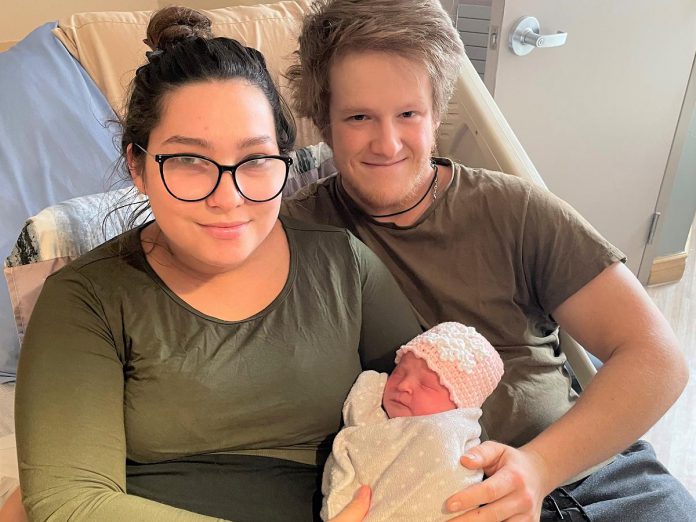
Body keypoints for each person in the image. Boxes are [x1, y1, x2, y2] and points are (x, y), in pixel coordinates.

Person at [282, 0, 696, 520]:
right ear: (324, 123)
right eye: (359, 116)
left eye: (408, 113)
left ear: (435, 115)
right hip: (418, 495)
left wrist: (540, 468)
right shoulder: (295, 234)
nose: (387, 142)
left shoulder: (514, 210)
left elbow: (656, 357)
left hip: (588, 480)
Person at [12, 6, 423, 522]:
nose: (228, 198)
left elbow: (434, 411)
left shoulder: (342, 264)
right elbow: (72, 501)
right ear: (138, 166)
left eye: (253, 160)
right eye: (188, 160)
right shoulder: (87, 298)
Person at [321, 322, 504, 521]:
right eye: (399, 372)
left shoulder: (448, 437)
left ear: (459, 410)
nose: (404, 385)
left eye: (426, 385)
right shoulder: (371, 417)